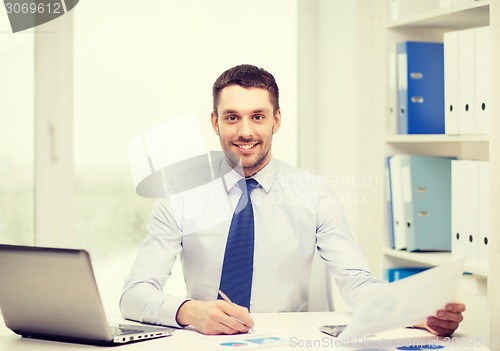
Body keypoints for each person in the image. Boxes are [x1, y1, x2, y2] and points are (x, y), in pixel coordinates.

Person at [120, 64, 465, 336]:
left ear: (276, 120)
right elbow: (135, 294)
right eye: (232, 118)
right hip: (205, 342)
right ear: (215, 122)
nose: (245, 132)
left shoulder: (313, 193)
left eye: (257, 116)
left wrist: (416, 315)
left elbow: (357, 281)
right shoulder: (181, 193)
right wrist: (190, 310)